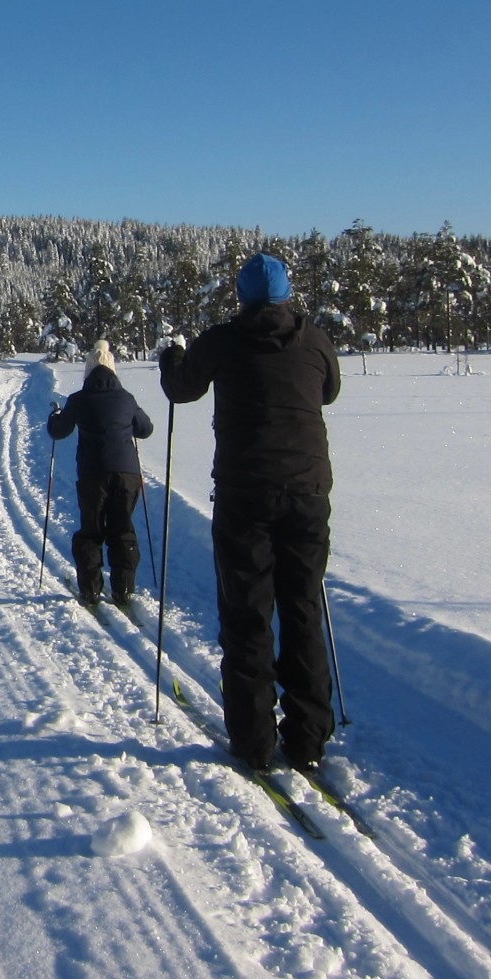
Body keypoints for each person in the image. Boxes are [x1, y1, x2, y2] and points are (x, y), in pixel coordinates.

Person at [158, 252, 342, 771]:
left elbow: (181, 389)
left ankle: (254, 739)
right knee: (302, 608)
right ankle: (308, 738)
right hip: (308, 491)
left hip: (244, 493)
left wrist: (171, 355)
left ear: (241, 297)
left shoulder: (222, 340)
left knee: (247, 615)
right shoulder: (315, 338)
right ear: (286, 295)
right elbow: (329, 391)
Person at [47, 341, 155, 610]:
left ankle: (91, 589)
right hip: (127, 473)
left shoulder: (79, 400)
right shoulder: (127, 398)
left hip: (93, 473)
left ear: (89, 371)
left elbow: (58, 431)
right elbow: (145, 429)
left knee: (92, 530)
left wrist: (55, 415)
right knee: (122, 528)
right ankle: (124, 588)